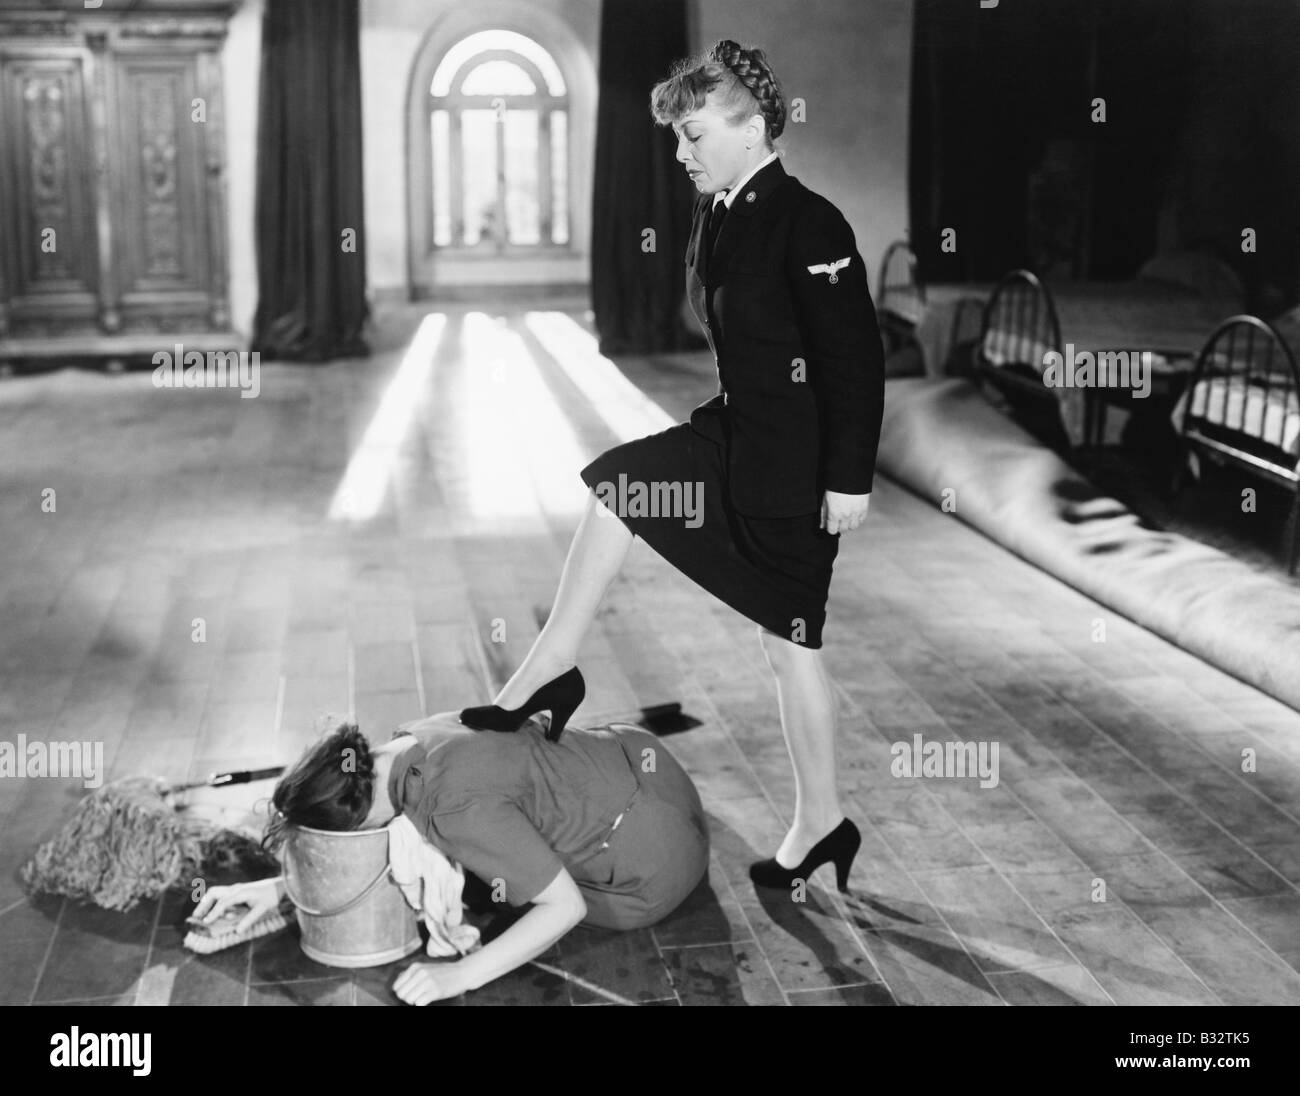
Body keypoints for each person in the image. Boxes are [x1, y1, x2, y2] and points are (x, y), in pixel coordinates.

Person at [457, 40, 885, 893]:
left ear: (755, 127)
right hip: (733, 439)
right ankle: (552, 666)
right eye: (677, 140)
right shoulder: (720, 210)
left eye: (693, 136)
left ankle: (820, 821)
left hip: (795, 477)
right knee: (618, 485)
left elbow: (854, 360)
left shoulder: (814, 224)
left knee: (790, 646)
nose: (681, 155)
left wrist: (849, 479)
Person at [193, 713, 709, 1005]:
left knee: (488, 890)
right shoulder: (408, 739)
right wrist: (281, 890)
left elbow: (566, 908)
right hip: (645, 759)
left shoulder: (453, 810)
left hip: (659, 865)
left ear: (360, 826)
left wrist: (463, 975)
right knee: (482, 847)